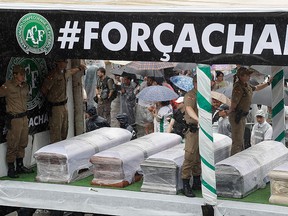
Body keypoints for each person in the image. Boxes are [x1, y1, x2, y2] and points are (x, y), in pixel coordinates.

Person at [227, 67, 273, 155]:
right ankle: (233, 159)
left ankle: (238, 157)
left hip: (242, 116)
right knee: (237, 141)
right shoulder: (238, 87)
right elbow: (233, 103)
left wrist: (267, 83)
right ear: (241, 76)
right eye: (247, 75)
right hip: (237, 115)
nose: (249, 76)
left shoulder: (246, 85)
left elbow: (257, 88)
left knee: (240, 140)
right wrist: (230, 111)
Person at [41, 59, 86, 144]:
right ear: (58, 63)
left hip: (64, 105)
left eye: (66, 62)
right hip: (55, 107)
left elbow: (71, 71)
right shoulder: (53, 75)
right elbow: (44, 90)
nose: (66, 63)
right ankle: (55, 152)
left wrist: (79, 68)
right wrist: (51, 99)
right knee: (56, 133)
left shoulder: (64, 73)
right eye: (64, 62)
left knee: (64, 131)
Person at [0, 65, 33, 178]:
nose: (23, 76)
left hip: (24, 118)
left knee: (23, 142)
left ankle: (19, 165)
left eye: (24, 74)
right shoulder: (7, 86)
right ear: (15, 75)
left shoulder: (25, 86)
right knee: (13, 143)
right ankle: (11, 168)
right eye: (21, 74)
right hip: (14, 119)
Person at [181, 75, 200, 197]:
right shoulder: (190, 95)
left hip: (201, 129)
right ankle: (185, 183)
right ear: (195, 83)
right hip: (193, 128)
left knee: (199, 156)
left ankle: (197, 181)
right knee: (189, 155)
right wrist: (198, 119)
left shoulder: (204, 94)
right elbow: (188, 108)